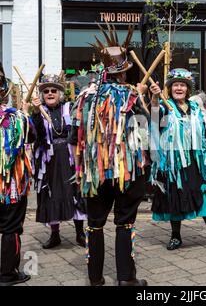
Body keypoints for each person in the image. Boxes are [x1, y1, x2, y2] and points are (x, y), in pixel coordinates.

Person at [70, 24, 149, 286]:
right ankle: (126, 279)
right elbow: (149, 128)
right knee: (125, 222)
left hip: (94, 172)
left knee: (95, 223)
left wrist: (81, 169)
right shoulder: (131, 95)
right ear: (124, 73)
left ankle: (95, 278)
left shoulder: (84, 97)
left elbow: (74, 139)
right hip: (126, 171)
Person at [149, 68, 206, 250]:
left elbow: (205, 131)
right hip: (174, 162)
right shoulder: (166, 106)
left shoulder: (196, 107)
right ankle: (175, 236)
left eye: (182, 85)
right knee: (175, 196)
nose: (179, 88)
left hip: (196, 159)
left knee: (205, 195)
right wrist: (155, 98)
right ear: (170, 88)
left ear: (188, 89)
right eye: (175, 85)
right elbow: (155, 118)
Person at [31, 74, 87, 249]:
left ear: (60, 93)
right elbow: (36, 135)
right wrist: (35, 112)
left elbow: (78, 129)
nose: (49, 93)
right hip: (50, 158)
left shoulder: (69, 108)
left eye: (53, 90)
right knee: (51, 193)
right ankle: (55, 234)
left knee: (75, 191)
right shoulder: (39, 112)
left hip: (70, 157)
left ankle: (80, 233)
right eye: (45, 91)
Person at [0, 63, 35, 286]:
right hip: (9, 186)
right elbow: (32, 138)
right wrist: (25, 113)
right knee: (11, 228)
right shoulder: (15, 118)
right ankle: (7, 274)